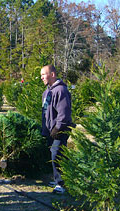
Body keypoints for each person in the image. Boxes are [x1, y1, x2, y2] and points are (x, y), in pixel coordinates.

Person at [40, 65, 72, 194]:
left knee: (57, 155)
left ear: (52, 74)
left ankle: (62, 184)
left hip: (59, 131)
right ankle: (56, 179)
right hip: (50, 131)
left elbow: (64, 113)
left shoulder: (61, 90)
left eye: (44, 74)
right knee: (53, 155)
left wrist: (57, 128)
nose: (41, 77)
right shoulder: (47, 91)